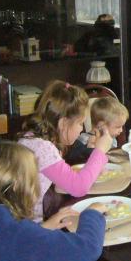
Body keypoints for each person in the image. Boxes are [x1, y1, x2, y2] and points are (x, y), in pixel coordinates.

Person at [18, 80, 113, 221]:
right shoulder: (43, 149)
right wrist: (99, 151)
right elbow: (79, 187)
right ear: (63, 123)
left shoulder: (33, 140)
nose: (82, 129)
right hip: (32, 228)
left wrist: (92, 169)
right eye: (80, 123)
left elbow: (62, 184)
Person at [67, 96, 128, 163]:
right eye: (118, 127)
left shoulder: (112, 138)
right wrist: (90, 149)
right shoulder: (84, 139)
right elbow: (77, 162)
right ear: (102, 126)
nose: (121, 130)